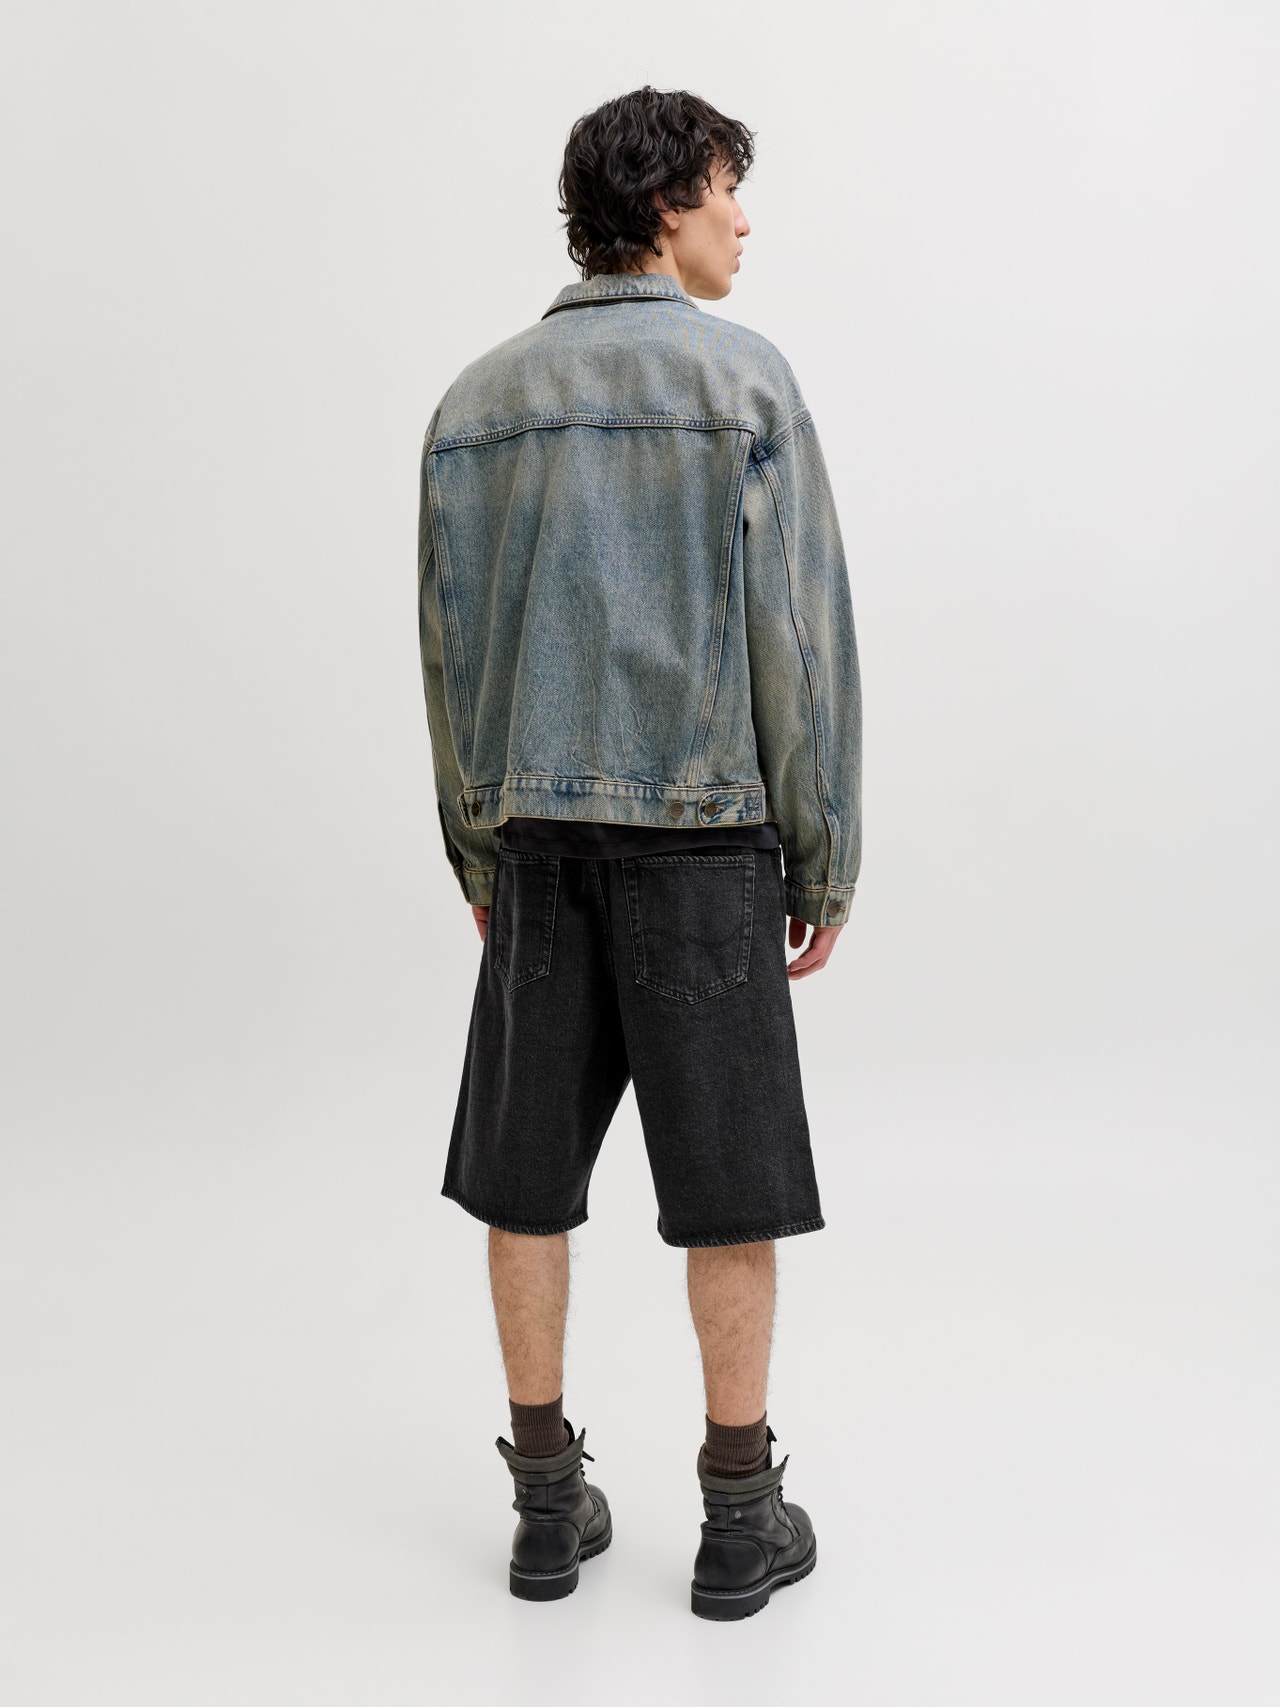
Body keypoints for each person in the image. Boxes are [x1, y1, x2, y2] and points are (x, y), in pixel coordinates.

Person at [416, 84, 861, 1620]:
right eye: (729, 188)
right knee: (729, 1193)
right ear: (669, 203)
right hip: (703, 845)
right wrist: (822, 853)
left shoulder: (476, 403)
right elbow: (799, 643)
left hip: (538, 843)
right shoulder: (745, 386)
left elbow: (451, 655)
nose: (744, 218)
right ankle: (739, 1519)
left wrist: (481, 852)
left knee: (525, 1182)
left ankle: (545, 1509)